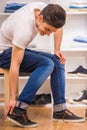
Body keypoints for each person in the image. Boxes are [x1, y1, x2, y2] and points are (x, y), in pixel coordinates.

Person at [0, 2, 85, 128]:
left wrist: (57, 50)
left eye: (51, 31)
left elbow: (59, 28)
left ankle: (60, 110)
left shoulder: (44, 9)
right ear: (40, 18)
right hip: (4, 54)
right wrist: (12, 98)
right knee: (47, 63)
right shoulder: (24, 29)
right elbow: (15, 64)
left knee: (57, 60)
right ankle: (18, 110)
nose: (48, 33)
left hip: (16, 47)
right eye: (47, 29)